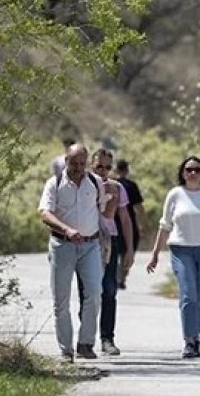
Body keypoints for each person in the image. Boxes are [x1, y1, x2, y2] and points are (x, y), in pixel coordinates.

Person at [146, 156, 200, 359]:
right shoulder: (175, 194)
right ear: (182, 173)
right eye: (188, 169)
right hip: (181, 250)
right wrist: (155, 253)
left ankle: (196, 333)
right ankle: (189, 340)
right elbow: (165, 225)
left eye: (197, 170)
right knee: (188, 295)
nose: (193, 173)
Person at [39, 143, 108, 363]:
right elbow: (44, 213)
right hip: (62, 246)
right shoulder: (55, 183)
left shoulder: (95, 182)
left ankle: (86, 343)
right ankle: (66, 349)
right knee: (62, 299)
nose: (79, 168)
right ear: (66, 161)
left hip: (90, 245)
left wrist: (113, 197)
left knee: (95, 293)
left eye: (82, 163)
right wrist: (66, 229)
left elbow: (103, 211)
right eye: (74, 163)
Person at [89, 149, 133, 355]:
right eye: (99, 166)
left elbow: (124, 218)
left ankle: (107, 338)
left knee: (109, 290)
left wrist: (130, 249)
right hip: (87, 240)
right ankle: (86, 338)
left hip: (109, 241)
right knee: (88, 291)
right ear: (92, 165)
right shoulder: (84, 185)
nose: (103, 171)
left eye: (108, 167)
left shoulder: (117, 187)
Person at [112, 159, 146, 289]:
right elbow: (139, 207)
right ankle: (122, 278)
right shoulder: (132, 185)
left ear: (116, 170)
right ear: (126, 170)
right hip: (129, 222)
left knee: (115, 251)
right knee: (128, 251)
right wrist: (142, 224)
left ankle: (115, 277)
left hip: (113, 222)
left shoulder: (112, 184)